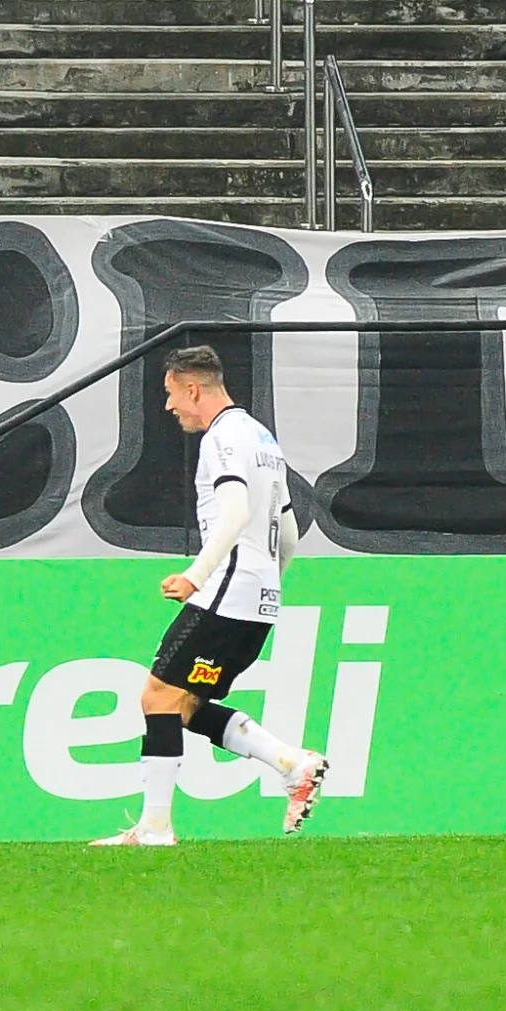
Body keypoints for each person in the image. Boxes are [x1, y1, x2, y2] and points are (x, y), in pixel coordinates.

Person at [95, 347, 328, 848]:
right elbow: (287, 532)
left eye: (170, 393)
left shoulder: (222, 438)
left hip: (225, 594)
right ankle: (291, 763)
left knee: (157, 697)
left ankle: (155, 829)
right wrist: (267, 583)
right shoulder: (263, 439)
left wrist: (198, 577)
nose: (168, 406)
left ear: (191, 387)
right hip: (257, 600)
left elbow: (236, 512)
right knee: (179, 705)